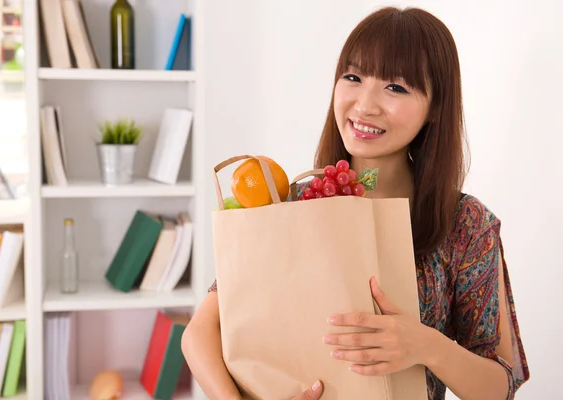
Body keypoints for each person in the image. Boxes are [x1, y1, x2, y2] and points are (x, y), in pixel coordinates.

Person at [181, 6, 530, 400]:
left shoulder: (465, 224)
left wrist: (426, 345)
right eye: (353, 77)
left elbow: (501, 386)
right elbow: (199, 333)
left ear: (435, 107)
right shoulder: (293, 203)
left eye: (396, 87)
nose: (365, 105)